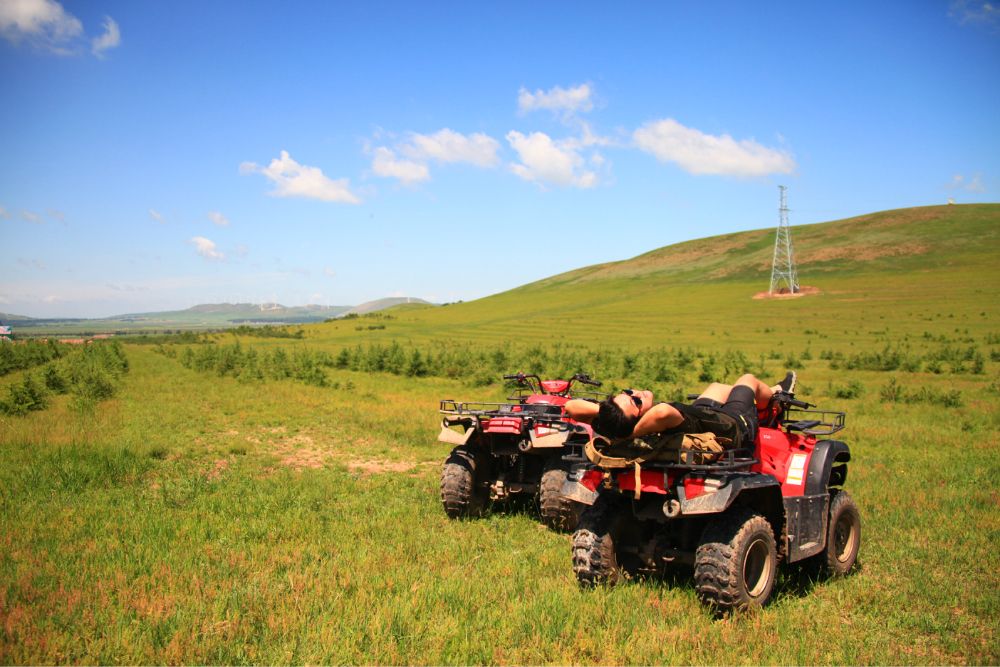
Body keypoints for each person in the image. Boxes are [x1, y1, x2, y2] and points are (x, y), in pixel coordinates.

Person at [564, 371, 796, 449]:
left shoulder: (622, 422)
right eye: (635, 402)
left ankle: (766, 404)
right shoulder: (660, 417)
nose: (636, 394)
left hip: (703, 414)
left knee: (716, 387)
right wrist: (629, 432)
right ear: (638, 419)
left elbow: (570, 406)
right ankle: (775, 398)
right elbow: (662, 411)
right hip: (731, 424)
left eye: (627, 393)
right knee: (747, 379)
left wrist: (607, 411)